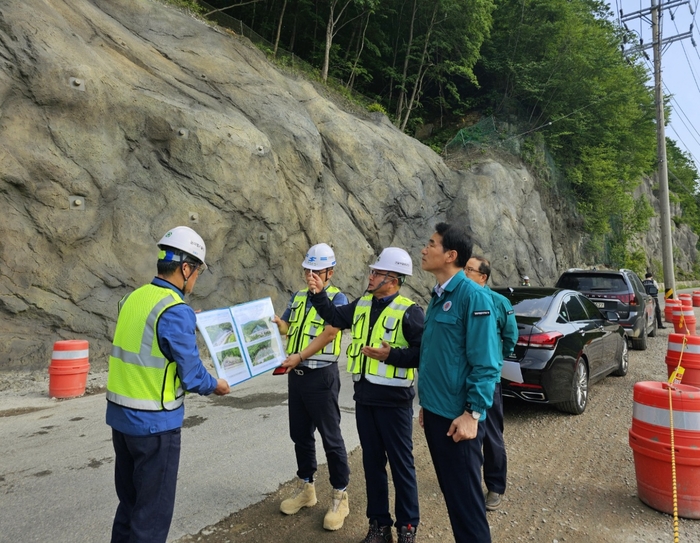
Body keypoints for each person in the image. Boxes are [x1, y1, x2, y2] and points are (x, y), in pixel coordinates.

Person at [106, 226, 231, 543]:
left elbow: (151, 332)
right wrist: (216, 384)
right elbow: (192, 376)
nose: (196, 279)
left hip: (121, 421)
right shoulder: (176, 311)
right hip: (154, 428)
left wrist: (185, 315)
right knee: (151, 521)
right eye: (197, 272)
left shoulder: (133, 298)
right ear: (186, 267)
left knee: (130, 507)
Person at [306, 247, 424, 543]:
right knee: (372, 464)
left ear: (393, 278)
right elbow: (333, 315)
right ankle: (379, 527)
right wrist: (319, 293)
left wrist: (391, 355)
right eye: (372, 272)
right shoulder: (362, 304)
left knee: (401, 466)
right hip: (365, 399)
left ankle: (407, 528)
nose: (370, 276)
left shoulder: (410, 311)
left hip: (395, 402)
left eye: (377, 273)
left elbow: (423, 353)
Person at [418, 222, 502, 543]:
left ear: (450, 255)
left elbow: (486, 363)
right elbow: (437, 357)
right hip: (439, 414)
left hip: (460, 422)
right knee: (455, 500)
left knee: (467, 508)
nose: (424, 250)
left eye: (431, 244)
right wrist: (428, 404)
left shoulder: (473, 297)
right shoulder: (439, 296)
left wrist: (473, 413)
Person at [271, 243, 351, 531]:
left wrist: (300, 356)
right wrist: (275, 323)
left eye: (316, 270)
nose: (310, 275)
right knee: (300, 434)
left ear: (330, 272)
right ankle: (307, 489)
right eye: (308, 269)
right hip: (297, 375)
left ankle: (340, 495)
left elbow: (331, 333)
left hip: (321, 377)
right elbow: (288, 328)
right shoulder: (299, 296)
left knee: (331, 438)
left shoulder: (338, 299)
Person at [465, 256, 518, 511]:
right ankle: (468, 482)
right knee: (466, 433)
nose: (465, 273)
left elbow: (510, 337)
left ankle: (495, 486)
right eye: (464, 269)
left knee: (491, 435)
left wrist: (494, 359)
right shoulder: (461, 299)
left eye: (470, 270)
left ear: (483, 277)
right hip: (463, 379)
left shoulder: (498, 302)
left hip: (488, 381)